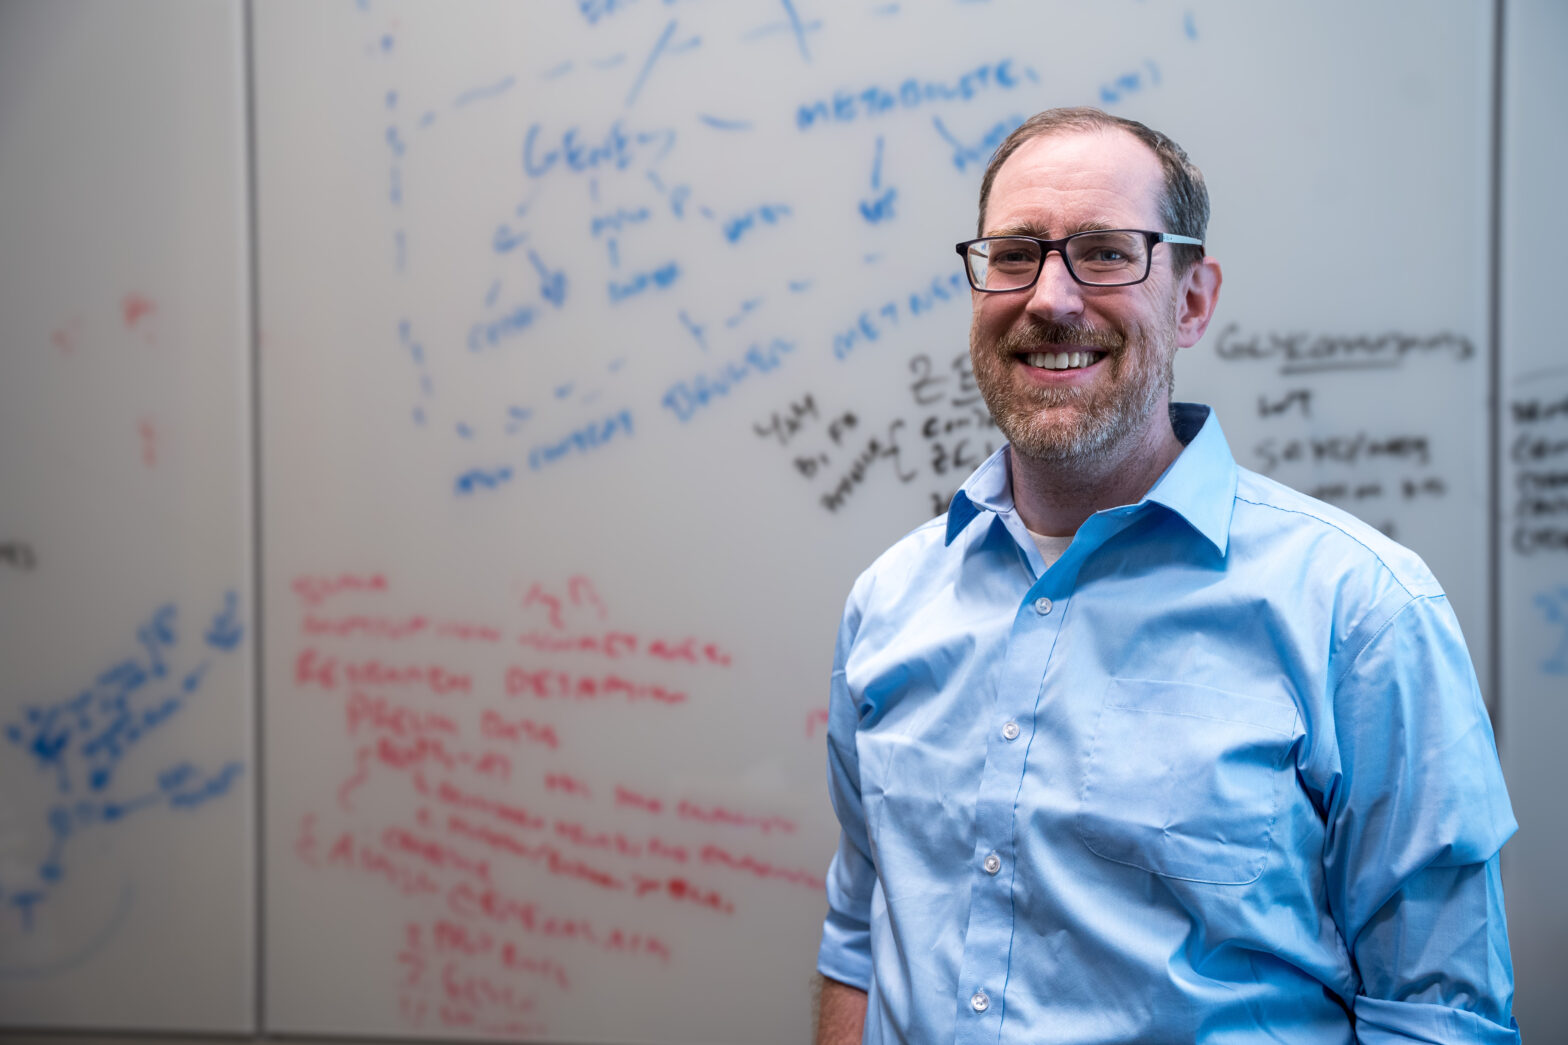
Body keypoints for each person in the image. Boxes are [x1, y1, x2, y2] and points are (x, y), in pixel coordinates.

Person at [814, 107, 1520, 1044]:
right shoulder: (890, 602)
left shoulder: (1361, 613)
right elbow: (861, 939)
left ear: (1192, 301)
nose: (1051, 298)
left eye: (1107, 253)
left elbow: (1440, 1017)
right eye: (1016, 254)